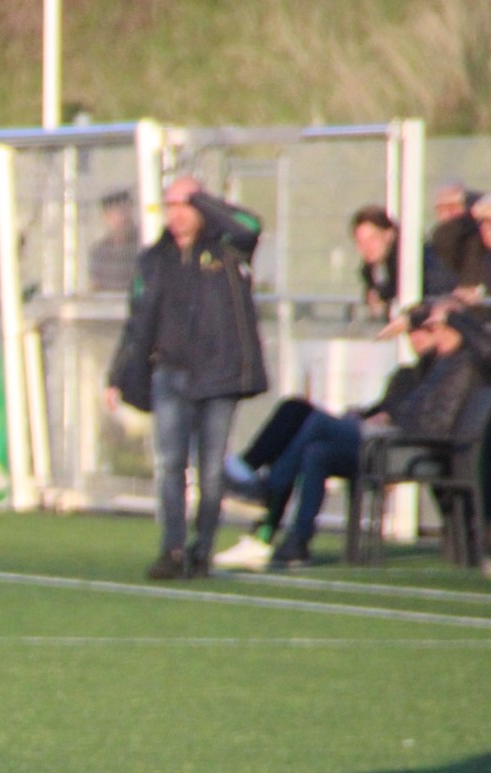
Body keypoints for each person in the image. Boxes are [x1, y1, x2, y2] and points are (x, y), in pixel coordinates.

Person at [213, 301, 491, 569]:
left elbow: (482, 345)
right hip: (393, 437)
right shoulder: (430, 365)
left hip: (408, 444)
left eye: (435, 327)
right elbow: (400, 403)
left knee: (313, 421)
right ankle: (297, 541)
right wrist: (371, 415)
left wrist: (453, 317)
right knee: (315, 450)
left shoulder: (469, 359)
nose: (425, 334)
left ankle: (266, 489)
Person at [104, 176, 269, 579]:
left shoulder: (227, 248)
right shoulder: (154, 259)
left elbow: (250, 225)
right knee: (169, 465)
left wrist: (202, 199)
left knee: (210, 471)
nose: (177, 214)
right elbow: (136, 320)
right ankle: (172, 549)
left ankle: (202, 548)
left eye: (187, 205)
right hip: (170, 374)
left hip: (219, 375)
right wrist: (118, 374)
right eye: (171, 205)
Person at [350, 204, 456, 320]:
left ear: (389, 235)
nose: (366, 247)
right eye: (360, 241)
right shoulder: (374, 269)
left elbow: (437, 293)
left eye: (372, 239)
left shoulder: (413, 259)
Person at [88, 189, 139, 293]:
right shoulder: (99, 251)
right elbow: (95, 287)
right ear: (106, 216)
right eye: (119, 212)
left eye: (127, 210)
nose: (124, 217)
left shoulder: (144, 246)